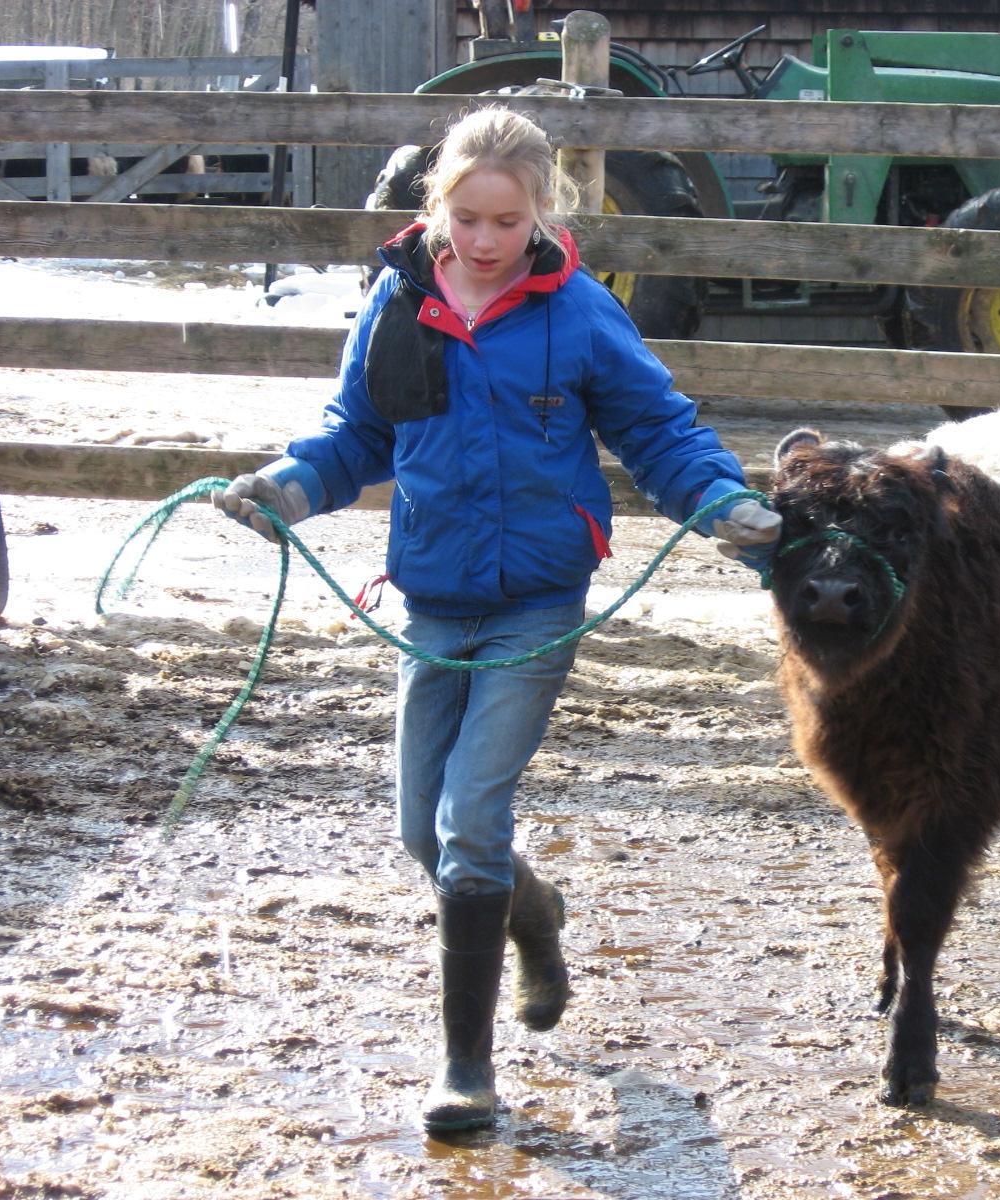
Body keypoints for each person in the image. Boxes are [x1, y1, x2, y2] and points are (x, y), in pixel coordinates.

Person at [212, 105, 780, 1133]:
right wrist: (286, 492)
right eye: (466, 217)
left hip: (536, 603)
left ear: (541, 216)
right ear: (437, 206)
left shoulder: (579, 312)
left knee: (470, 821)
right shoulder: (398, 297)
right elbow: (354, 436)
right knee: (422, 835)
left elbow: (658, 429)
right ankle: (533, 913)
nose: (483, 240)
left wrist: (719, 505)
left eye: (505, 222)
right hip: (432, 598)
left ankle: (465, 1071)